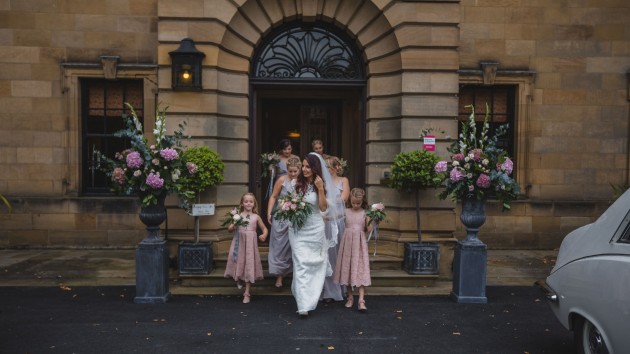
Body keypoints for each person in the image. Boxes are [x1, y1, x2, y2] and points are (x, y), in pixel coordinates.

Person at [289, 153, 341, 318]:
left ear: (314, 168)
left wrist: (320, 189)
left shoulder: (321, 184)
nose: (304, 169)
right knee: (300, 263)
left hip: (315, 229)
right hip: (298, 230)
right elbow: (290, 204)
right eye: (303, 166)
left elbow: (323, 208)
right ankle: (303, 305)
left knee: (315, 264)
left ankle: (309, 296)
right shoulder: (295, 183)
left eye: (307, 166)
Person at [224, 193, 268, 304]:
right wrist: (234, 222)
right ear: (242, 203)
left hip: (250, 246)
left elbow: (264, 229)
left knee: (249, 265)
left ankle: (247, 293)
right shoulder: (238, 216)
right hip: (239, 244)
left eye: (251, 201)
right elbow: (230, 229)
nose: (248, 203)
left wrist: (264, 235)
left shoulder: (256, 217)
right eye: (246, 201)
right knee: (238, 261)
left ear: (254, 204)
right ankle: (239, 278)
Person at [333, 188, 371, 312]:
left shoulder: (365, 213)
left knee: (360, 268)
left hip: (359, 244)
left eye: (358, 203)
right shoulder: (346, 211)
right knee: (348, 269)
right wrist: (322, 217)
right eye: (353, 202)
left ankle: (361, 300)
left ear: (362, 201)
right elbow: (334, 217)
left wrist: (374, 218)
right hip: (348, 243)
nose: (355, 205)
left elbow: (369, 229)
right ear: (350, 200)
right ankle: (350, 297)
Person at [266, 157, 301, 288]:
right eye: (290, 171)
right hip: (281, 216)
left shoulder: (302, 182)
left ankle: (295, 276)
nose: (292, 174)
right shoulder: (281, 180)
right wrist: (269, 212)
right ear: (287, 169)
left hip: (295, 218)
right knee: (279, 245)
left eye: (295, 171)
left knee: (293, 247)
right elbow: (273, 196)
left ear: (299, 170)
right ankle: (279, 276)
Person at [320, 156, 351, 302]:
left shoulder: (343, 180)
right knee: (326, 253)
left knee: (339, 252)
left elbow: (344, 198)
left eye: (327, 167)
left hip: (338, 220)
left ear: (335, 168)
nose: (325, 170)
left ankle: (340, 286)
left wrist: (329, 200)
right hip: (324, 219)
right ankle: (327, 289)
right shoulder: (322, 181)